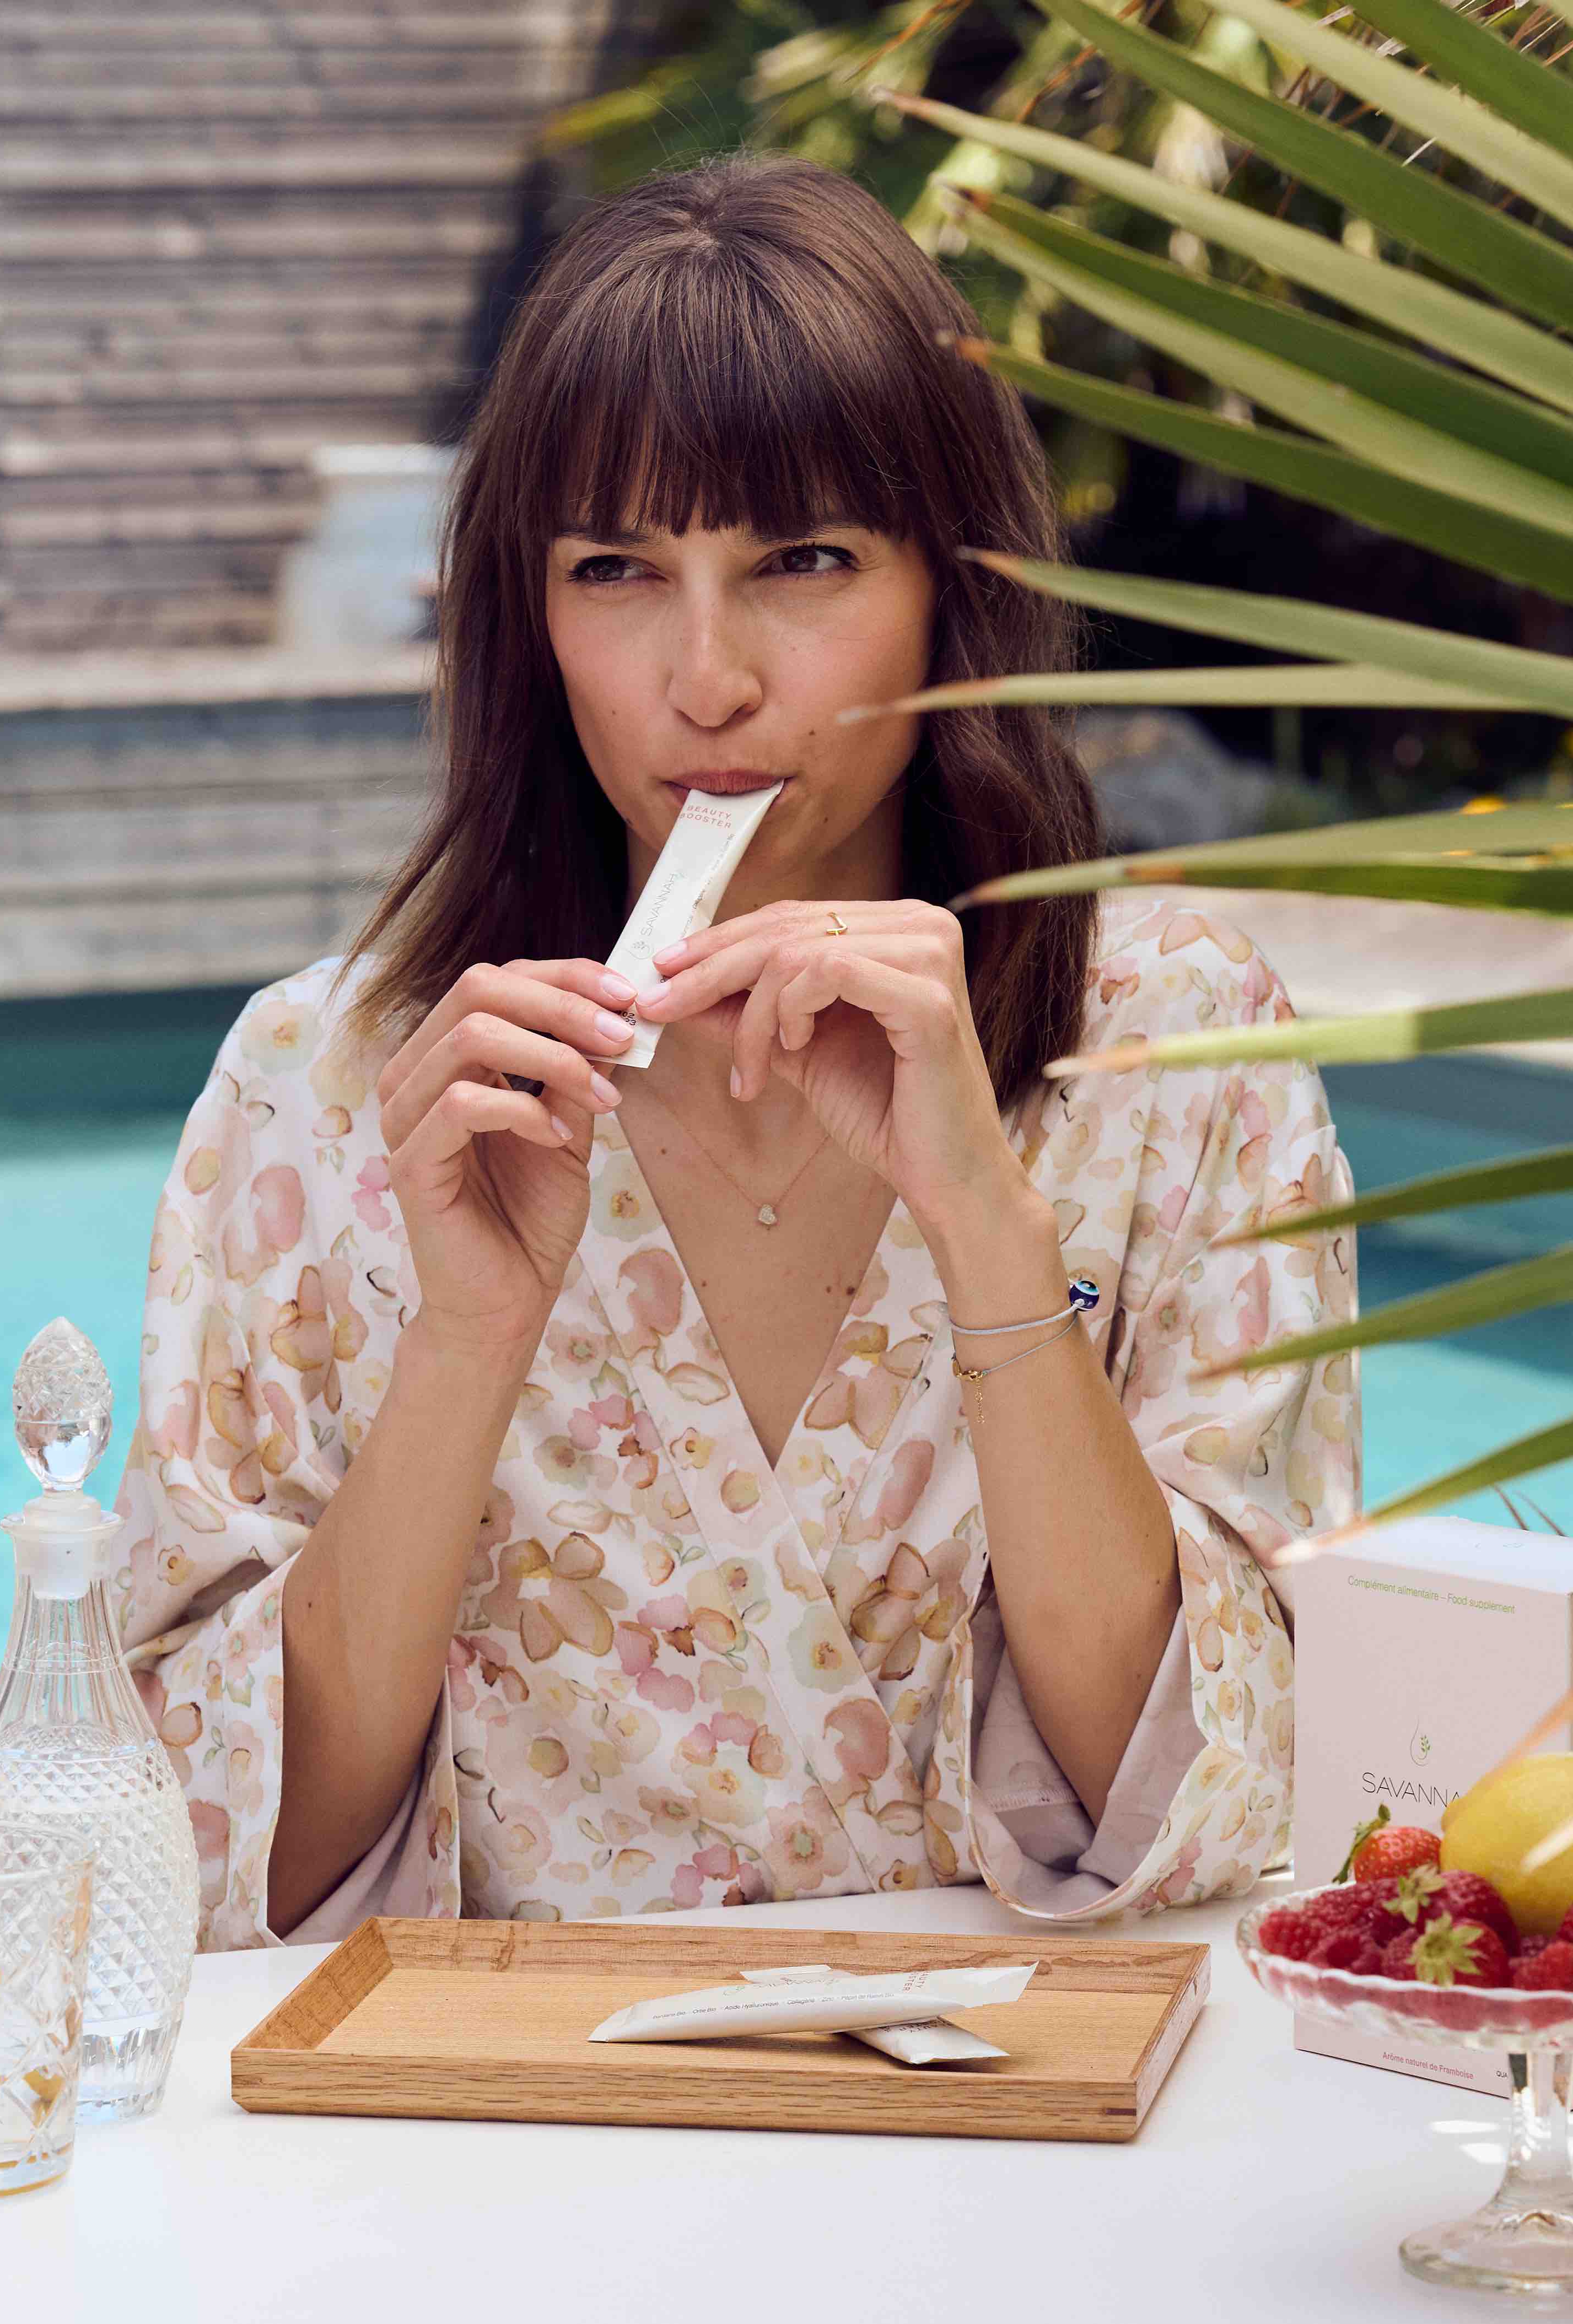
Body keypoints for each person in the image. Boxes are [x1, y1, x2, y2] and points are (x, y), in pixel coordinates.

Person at [111, 155, 1359, 1949]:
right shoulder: (325, 1082)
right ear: (529, 618)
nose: (705, 679)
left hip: (1034, 2093)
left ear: (954, 588)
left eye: (802, 561)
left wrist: (992, 1236)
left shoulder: (1174, 1046)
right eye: (615, 570)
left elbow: (1235, 1792)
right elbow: (207, 1854)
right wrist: (464, 1339)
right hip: (508, 2101)